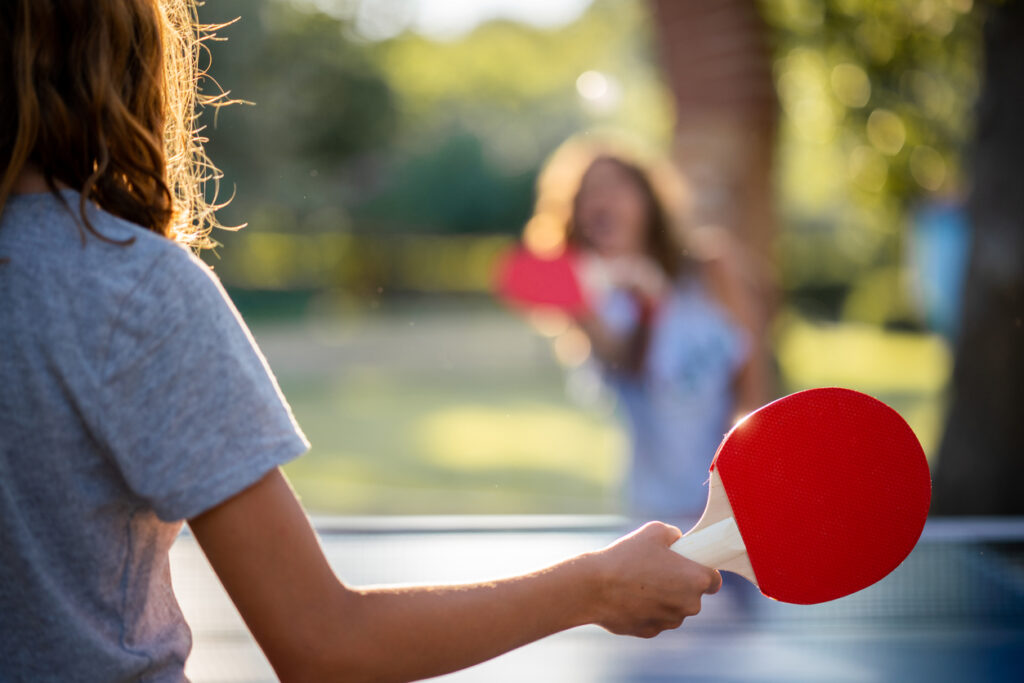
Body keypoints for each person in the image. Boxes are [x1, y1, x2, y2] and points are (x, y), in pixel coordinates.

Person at [0, 2, 721, 681]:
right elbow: (322, 645)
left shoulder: (700, 276)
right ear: (122, 54)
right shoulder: (133, 288)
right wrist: (594, 586)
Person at [535, 145, 769, 518]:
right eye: (587, 193)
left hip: (737, 497)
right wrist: (648, 309)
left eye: (615, 186)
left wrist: (745, 463)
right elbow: (625, 364)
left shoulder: (711, 268)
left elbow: (751, 370)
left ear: (649, 200)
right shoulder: (586, 301)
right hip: (656, 511)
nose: (601, 200)